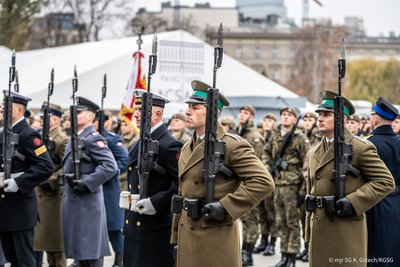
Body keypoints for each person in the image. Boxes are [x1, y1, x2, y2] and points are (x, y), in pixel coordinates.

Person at [171, 80, 274, 267]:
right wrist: (176, 238)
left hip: (214, 234)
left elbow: (263, 181)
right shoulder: (187, 146)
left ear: (213, 112)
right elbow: (182, 195)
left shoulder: (232, 145)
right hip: (187, 235)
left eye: (195, 107)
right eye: (188, 107)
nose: (187, 112)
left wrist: (226, 206)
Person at [305, 90, 395, 267]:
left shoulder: (360, 148)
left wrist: (353, 202)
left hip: (346, 230)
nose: (320, 119)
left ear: (342, 119)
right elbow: (311, 193)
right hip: (319, 229)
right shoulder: (313, 152)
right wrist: (308, 232)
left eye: (326, 114)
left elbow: (385, 181)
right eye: (319, 114)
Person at [123, 89, 183, 267]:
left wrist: (156, 203)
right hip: (134, 225)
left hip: (155, 229)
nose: (136, 114)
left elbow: (181, 184)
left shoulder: (170, 144)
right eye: (136, 109)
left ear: (157, 114)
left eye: (141, 110)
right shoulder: (137, 144)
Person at [61, 97, 117, 267]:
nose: (74, 115)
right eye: (74, 112)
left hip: (87, 205)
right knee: (82, 256)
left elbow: (110, 166)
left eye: (79, 112)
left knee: (91, 256)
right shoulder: (75, 137)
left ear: (91, 117)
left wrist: (87, 182)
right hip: (76, 204)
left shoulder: (93, 138)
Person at [0, 90, 54, 266]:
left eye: (6, 107)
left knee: (24, 261)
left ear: (19, 111)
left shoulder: (29, 134)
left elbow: (46, 166)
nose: (1, 110)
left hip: (19, 208)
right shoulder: (3, 134)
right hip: (4, 207)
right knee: (11, 259)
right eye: (2, 106)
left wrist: (19, 182)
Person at [262, 106, 307, 267]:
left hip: (293, 186)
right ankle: (284, 254)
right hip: (277, 185)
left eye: (289, 115)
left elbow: (305, 164)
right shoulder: (274, 135)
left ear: (295, 120)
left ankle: (292, 257)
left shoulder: (299, 137)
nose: (286, 117)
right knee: (280, 222)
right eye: (283, 115)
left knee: (292, 222)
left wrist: (303, 190)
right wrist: (268, 167)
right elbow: (266, 153)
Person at [365, 97, 400, 267]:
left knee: (376, 254)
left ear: (376, 118)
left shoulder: (368, 144)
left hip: (375, 204)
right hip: (397, 203)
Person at [34, 102, 69, 267]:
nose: (40, 120)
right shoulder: (42, 138)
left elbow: (67, 168)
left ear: (54, 120)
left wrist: (49, 180)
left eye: (44, 117)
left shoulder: (61, 140)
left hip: (53, 198)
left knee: (57, 248)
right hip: (41, 197)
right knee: (47, 246)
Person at [93, 112, 128, 267]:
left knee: (114, 227)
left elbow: (124, 160)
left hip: (108, 188)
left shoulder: (112, 139)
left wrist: (108, 174)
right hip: (91, 188)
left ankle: (119, 259)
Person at [233, 105, 266, 266]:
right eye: (241, 112)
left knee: (251, 220)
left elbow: (259, 164)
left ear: (252, 117)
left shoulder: (255, 136)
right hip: (236, 184)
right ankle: (242, 251)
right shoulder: (235, 133)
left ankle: (248, 252)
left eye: (246, 113)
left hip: (248, 184)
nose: (242, 115)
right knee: (241, 220)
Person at [254, 112, 278, 257]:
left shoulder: (277, 138)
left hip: (273, 180)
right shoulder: (260, 137)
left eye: (270, 120)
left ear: (275, 124)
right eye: (265, 120)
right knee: (262, 212)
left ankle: (272, 244)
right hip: (260, 180)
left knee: (272, 214)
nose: (267, 123)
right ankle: (263, 240)